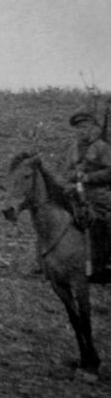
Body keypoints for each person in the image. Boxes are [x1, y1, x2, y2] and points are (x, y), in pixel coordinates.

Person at [63, 110, 111, 282]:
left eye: (85, 127)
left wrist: (89, 177)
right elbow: (66, 171)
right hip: (76, 194)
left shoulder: (102, 147)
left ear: (93, 128)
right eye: (78, 128)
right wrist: (72, 178)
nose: (81, 131)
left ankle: (103, 265)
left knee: (102, 224)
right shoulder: (72, 149)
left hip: (98, 195)